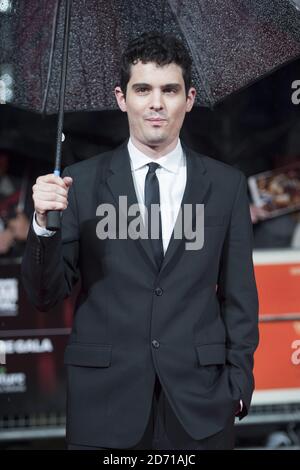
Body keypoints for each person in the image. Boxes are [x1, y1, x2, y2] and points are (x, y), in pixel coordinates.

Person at [21, 32, 259, 450]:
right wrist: (43, 223)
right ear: (121, 97)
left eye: (170, 90)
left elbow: (240, 298)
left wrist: (239, 383)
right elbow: (45, 295)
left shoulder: (226, 186)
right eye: (143, 89)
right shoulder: (80, 183)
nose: (156, 103)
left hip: (201, 406)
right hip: (105, 405)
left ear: (189, 98)